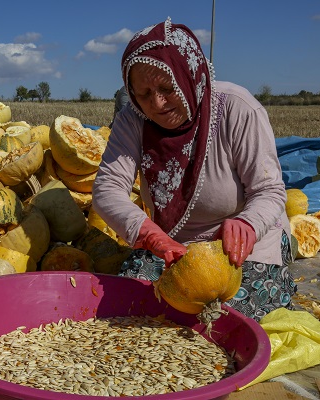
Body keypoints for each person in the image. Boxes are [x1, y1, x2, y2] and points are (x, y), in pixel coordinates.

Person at [92, 17, 297, 322]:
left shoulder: (237, 109)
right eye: (144, 94)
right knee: (138, 310)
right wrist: (148, 233)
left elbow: (269, 190)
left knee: (224, 317)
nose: (157, 103)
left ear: (190, 77)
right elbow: (107, 188)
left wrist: (248, 224)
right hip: (171, 247)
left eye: (166, 88)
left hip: (243, 248)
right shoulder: (132, 119)